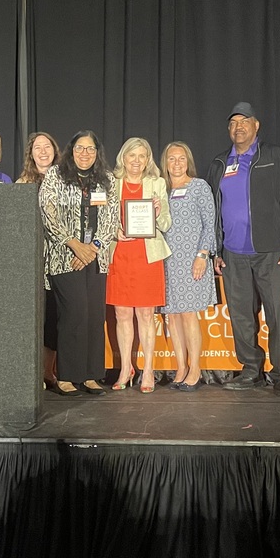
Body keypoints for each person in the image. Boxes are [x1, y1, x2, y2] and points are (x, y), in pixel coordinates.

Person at [207, 102, 280, 397]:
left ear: (256, 125)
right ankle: (251, 370)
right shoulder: (219, 163)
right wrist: (217, 251)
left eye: (244, 121)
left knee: (277, 314)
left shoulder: (277, 156)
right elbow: (212, 210)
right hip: (233, 253)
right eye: (233, 123)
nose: (238, 127)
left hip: (271, 252)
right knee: (240, 315)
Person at [39, 130, 119, 396]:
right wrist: (75, 245)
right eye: (80, 148)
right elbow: (47, 213)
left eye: (91, 149)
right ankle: (67, 376)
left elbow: (111, 218)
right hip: (64, 258)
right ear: (71, 151)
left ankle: (92, 375)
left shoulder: (107, 180)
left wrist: (92, 249)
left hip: (95, 259)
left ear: (98, 153)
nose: (85, 153)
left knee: (94, 316)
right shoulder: (55, 175)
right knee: (74, 313)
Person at [106, 137, 171, 393]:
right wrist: (114, 232)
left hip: (147, 257)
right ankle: (125, 369)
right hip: (120, 255)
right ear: (123, 157)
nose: (136, 160)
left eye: (142, 156)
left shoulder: (157, 183)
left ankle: (148, 370)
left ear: (148, 160)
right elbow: (103, 219)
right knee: (122, 315)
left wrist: (156, 213)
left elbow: (166, 223)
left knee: (145, 315)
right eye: (132, 155)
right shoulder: (112, 184)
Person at [160, 142, 216, 391]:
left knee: (188, 315)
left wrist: (202, 255)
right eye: (172, 159)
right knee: (171, 316)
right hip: (166, 261)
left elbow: (209, 223)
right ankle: (180, 367)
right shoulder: (161, 190)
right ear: (165, 162)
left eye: (181, 158)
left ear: (188, 161)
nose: (177, 163)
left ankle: (195, 369)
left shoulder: (199, 186)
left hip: (192, 260)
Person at [18, 131, 62, 390]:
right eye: (37, 147)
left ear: (55, 151)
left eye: (48, 146)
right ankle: (32, 374)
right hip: (33, 261)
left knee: (55, 318)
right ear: (30, 153)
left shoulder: (65, 180)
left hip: (61, 259)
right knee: (35, 318)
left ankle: (48, 372)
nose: (43, 151)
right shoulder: (23, 183)